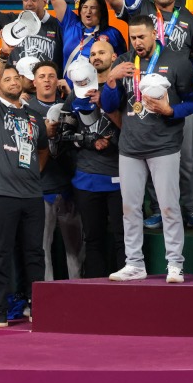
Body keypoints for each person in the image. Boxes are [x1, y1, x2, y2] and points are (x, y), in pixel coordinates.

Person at [111, 0, 193, 230]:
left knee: (188, 157)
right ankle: (156, 208)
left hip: (179, 96)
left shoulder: (190, 21)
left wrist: (188, 77)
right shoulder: (142, 14)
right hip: (144, 93)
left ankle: (190, 209)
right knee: (151, 154)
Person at [99, 14, 193, 284]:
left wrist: (170, 110)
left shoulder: (177, 60)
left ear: (155, 34)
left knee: (168, 207)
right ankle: (134, 263)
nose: (137, 42)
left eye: (142, 36)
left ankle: (175, 264)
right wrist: (110, 79)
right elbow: (108, 106)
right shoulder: (122, 62)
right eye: (132, 37)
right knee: (130, 208)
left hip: (164, 145)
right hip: (130, 147)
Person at [0, 39, 50, 327]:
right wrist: (2, 56)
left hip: (31, 194)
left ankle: (36, 304)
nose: (10, 82)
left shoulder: (35, 116)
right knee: (2, 252)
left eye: (14, 77)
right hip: (0, 193)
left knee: (34, 252)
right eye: (6, 79)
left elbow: (43, 150)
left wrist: (34, 172)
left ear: (22, 81)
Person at [64, 42, 124, 279]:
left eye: (101, 52)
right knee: (93, 238)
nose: (96, 57)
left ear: (114, 56)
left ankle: (128, 292)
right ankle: (95, 291)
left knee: (123, 238)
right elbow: (65, 136)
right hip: (87, 179)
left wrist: (106, 105)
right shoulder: (75, 93)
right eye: (92, 54)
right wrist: (90, 140)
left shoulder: (124, 90)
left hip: (121, 176)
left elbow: (131, 131)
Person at [24, 61, 84, 281]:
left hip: (69, 187)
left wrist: (70, 97)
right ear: (34, 82)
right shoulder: (26, 111)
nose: (47, 80)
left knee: (76, 250)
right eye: (42, 76)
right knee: (42, 250)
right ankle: (45, 300)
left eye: (51, 76)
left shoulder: (68, 106)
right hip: (41, 188)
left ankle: (79, 293)